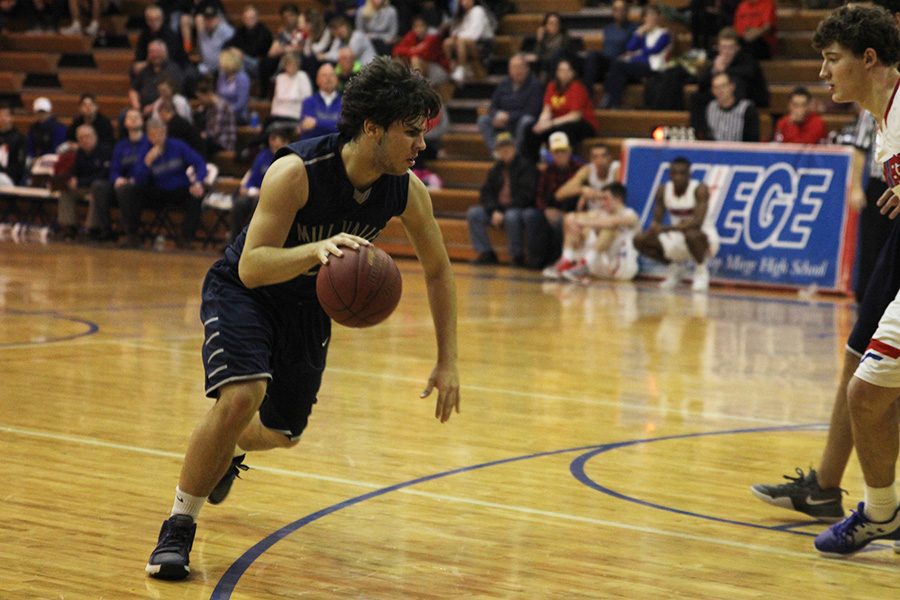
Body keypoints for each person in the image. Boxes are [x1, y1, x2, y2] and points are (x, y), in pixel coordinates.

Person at [144, 56, 460, 581]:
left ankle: (225, 453)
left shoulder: (406, 189)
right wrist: (317, 250)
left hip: (307, 306)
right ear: (372, 128)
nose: (421, 145)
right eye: (411, 132)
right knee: (243, 394)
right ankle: (177, 527)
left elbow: (439, 272)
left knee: (283, 433)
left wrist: (447, 360)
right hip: (246, 291)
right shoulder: (295, 172)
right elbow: (252, 264)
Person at [754, 5, 900, 556]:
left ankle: (863, 504)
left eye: (831, 59)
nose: (822, 72)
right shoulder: (883, 118)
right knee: (866, 387)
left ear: (868, 58)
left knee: (868, 386)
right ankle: (877, 510)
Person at [632, 156, 718, 292]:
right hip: (677, 236)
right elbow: (657, 221)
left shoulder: (699, 189)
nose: (678, 177)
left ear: (689, 174)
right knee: (640, 240)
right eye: (674, 173)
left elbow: (697, 223)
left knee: (692, 234)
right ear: (670, 174)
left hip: (704, 237)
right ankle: (675, 269)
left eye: (682, 173)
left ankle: (701, 271)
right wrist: (654, 229)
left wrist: (667, 228)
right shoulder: (663, 190)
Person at [119, 117, 207, 249]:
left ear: (165, 132)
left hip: (179, 189)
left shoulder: (178, 146)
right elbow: (138, 179)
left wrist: (198, 182)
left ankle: (186, 238)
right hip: (157, 190)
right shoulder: (145, 149)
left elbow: (200, 163)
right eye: (153, 135)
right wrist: (147, 162)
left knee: (196, 196)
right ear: (148, 135)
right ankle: (132, 235)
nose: (157, 138)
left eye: (160, 134)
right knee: (130, 191)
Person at [466, 131, 540, 267]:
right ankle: (486, 253)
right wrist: (494, 210)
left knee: (511, 216)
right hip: (498, 209)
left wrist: (503, 211)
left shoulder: (527, 167)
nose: (505, 150)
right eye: (501, 148)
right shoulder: (495, 169)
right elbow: (485, 193)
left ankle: (517, 256)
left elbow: (527, 195)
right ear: (497, 151)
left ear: (514, 148)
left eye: (507, 147)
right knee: (474, 213)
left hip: (518, 208)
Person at [545, 182, 640, 283]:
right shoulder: (601, 213)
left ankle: (584, 265)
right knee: (575, 223)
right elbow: (570, 218)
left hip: (622, 268)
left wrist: (582, 222)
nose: (603, 203)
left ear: (618, 199)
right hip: (600, 266)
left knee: (608, 228)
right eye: (601, 199)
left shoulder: (631, 214)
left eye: (605, 198)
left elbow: (611, 222)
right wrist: (575, 218)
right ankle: (567, 260)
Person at [523, 58, 598, 163]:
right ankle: (532, 164)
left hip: (583, 124)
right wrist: (541, 123)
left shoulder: (577, 87)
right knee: (531, 129)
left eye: (567, 70)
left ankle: (567, 164)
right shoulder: (551, 86)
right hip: (557, 123)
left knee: (564, 131)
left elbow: (575, 116)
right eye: (561, 70)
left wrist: (551, 123)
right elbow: (547, 109)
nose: (564, 74)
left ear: (573, 73)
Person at [599, 4, 671, 109]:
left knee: (619, 65)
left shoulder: (664, 33)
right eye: (648, 15)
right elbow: (630, 48)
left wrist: (637, 54)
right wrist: (638, 33)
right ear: (644, 18)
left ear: (658, 17)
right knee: (619, 70)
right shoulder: (642, 33)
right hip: (639, 65)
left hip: (653, 66)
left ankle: (609, 98)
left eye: (654, 15)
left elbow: (654, 50)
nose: (652, 18)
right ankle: (614, 102)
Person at [229, 126, 289, 243]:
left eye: (276, 145)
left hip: (275, 197)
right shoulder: (263, 156)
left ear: (285, 142)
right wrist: (247, 188)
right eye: (271, 144)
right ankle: (234, 242)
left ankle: (252, 242)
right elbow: (253, 177)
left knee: (258, 205)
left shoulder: (289, 158)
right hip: (256, 193)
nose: (273, 147)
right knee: (240, 203)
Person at [535, 131, 584, 268]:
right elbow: (540, 195)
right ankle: (537, 261)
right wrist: (545, 210)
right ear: (551, 154)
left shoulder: (581, 170)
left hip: (573, 212)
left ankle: (563, 260)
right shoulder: (547, 172)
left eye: (563, 151)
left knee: (562, 222)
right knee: (535, 218)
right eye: (556, 152)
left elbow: (580, 195)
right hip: (552, 209)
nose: (560, 154)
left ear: (569, 151)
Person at [56, 124, 113, 241]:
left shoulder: (105, 151)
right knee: (66, 191)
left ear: (95, 137)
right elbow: (74, 170)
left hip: (101, 186)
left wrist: (80, 182)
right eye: (81, 138)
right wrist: (71, 179)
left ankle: (92, 228)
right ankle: (69, 226)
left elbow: (104, 174)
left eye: (87, 136)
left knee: (96, 192)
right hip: (84, 186)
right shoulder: (80, 153)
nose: (85, 140)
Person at [476, 53, 543, 153]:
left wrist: (509, 117)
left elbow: (533, 110)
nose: (517, 71)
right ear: (509, 70)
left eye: (520, 67)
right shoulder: (504, 83)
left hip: (520, 122)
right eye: (514, 68)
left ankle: (515, 153)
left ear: (527, 69)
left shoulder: (535, 85)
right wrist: (495, 115)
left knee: (526, 120)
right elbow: (493, 105)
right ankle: (496, 152)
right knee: (483, 120)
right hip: (502, 122)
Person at [110, 108, 151, 247]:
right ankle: (101, 230)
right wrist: (117, 178)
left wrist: (134, 180)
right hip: (125, 184)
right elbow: (114, 168)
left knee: (125, 190)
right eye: (129, 117)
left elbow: (149, 167)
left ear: (142, 121)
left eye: (136, 117)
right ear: (125, 123)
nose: (133, 119)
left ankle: (131, 232)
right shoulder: (121, 145)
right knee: (99, 187)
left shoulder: (149, 142)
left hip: (145, 184)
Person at [582, 0, 638, 92]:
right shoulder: (608, 28)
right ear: (613, 12)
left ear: (627, 11)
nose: (619, 12)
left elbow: (635, 49)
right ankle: (586, 95)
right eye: (616, 9)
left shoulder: (634, 27)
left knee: (616, 65)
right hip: (607, 63)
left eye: (621, 9)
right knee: (591, 55)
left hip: (621, 63)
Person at [693, 71, 760, 141]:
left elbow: (752, 140)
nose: (719, 91)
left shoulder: (747, 109)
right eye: (715, 87)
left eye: (723, 86)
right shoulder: (709, 107)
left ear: (732, 86)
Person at [443, 0, 494, 86]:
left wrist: (458, 37)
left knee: (461, 40)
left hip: (482, 44)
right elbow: (454, 32)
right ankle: (452, 67)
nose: (464, 2)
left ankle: (461, 69)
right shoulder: (463, 14)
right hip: (464, 42)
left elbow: (475, 34)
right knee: (447, 42)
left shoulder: (478, 11)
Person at [391, 13, 450, 87]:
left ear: (427, 26)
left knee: (415, 59)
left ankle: (417, 90)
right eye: (416, 26)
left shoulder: (433, 36)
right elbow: (396, 50)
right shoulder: (411, 35)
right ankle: (398, 88)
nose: (419, 29)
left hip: (440, 70)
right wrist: (413, 49)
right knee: (398, 61)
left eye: (422, 25)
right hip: (422, 68)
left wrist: (411, 51)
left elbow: (424, 53)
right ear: (413, 28)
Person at [130, 40, 185, 117]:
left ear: (165, 53)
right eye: (152, 52)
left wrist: (153, 107)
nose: (155, 55)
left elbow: (171, 93)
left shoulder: (173, 70)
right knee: (124, 116)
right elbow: (133, 89)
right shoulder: (145, 70)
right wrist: (136, 106)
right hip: (142, 108)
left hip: (163, 107)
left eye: (158, 52)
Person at [224, 5, 273, 80]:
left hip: (259, 64)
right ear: (243, 19)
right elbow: (227, 44)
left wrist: (240, 52)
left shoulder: (264, 32)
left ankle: (240, 87)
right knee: (226, 59)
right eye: (246, 18)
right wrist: (232, 49)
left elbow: (254, 50)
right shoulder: (240, 30)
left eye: (252, 18)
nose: (249, 20)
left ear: (257, 18)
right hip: (242, 59)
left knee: (238, 62)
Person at [267, 50, 312, 131]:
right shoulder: (280, 77)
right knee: (268, 124)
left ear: (297, 65)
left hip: (295, 116)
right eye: (288, 64)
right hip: (278, 114)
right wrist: (273, 113)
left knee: (273, 128)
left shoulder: (303, 76)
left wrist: (304, 118)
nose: (291, 67)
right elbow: (275, 99)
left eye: (293, 64)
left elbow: (307, 100)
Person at [524, 12, 575, 82]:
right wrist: (539, 41)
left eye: (556, 23)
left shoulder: (564, 37)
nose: (554, 26)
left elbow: (564, 54)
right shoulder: (543, 38)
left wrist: (542, 57)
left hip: (558, 66)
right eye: (551, 23)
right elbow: (536, 55)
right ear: (545, 26)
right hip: (544, 66)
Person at [194, 77, 237, 155]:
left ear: (208, 94)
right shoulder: (209, 107)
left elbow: (215, 132)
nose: (200, 101)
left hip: (224, 142)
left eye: (201, 98)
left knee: (202, 143)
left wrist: (203, 135)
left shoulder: (220, 106)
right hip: (215, 141)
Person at [300, 63, 342, 139]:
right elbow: (306, 129)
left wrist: (316, 123)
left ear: (337, 79)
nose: (328, 78)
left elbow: (343, 127)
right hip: (314, 149)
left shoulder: (345, 103)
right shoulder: (308, 102)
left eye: (331, 75)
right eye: (324, 75)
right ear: (317, 80)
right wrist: (333, 125)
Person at [197, 3, 235, 76]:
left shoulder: (226, 31)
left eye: (212, 18)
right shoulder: (202, 33)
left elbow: (235, 50)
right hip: (207, 67)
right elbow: (201, 52)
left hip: (223, 68)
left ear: (218, 19)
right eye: (207, 18)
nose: (209, 21)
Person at [216, 47, 251, 123]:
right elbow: (219, 97)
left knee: (219, 120)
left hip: (238, 114)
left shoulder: (242, 78)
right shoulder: (222, 76)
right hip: (222, 112)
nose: (219, 64)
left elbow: (241, 103)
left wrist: (226, 110)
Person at [0, 103, 27, 186]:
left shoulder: (19, 139)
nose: (2, 118)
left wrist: (5, 172)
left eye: (6, 115)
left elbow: (19, 165)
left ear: (11, 118)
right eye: (0, 116)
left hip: (9, 178)